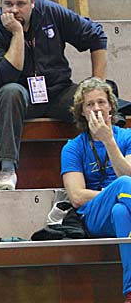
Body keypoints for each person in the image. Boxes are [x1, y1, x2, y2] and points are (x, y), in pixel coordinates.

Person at [0, 0, 107, 191]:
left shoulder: (50, 12)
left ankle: (106, 164)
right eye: (8, 4)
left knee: (99, 97)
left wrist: (97, 84)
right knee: (10, 91)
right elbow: (5, 78)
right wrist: (17, 33)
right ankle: (7, 170)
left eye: (21, 4)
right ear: (1, 4)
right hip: (22, 100)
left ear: (33, 2)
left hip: (59, 92)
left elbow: (95, 35)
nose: (14, 10)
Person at [61, 77, 131, 302]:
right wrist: (112, 194)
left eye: (101, 102)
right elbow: (77, 197)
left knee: (121, 212)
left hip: (123, 208)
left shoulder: (127, 137)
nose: (97, 108)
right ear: (82, 111)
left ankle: (129, 292)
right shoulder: (72, 147)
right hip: (93, 215)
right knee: (123, 185)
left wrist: (109, 141)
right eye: (90, 104)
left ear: (111, 106)